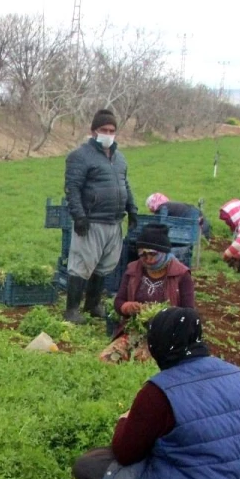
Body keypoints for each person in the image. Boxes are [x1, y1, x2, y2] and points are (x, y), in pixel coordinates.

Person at [72, 308, 240, 479]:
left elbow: (125, 453)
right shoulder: (238, 374)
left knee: (89, 466)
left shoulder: (158, 392)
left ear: (159, 343)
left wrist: (125, 420)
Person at [62, 108, 138, 324]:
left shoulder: (120, 158)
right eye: (103, 129)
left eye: (112, 130)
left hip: (114, 221)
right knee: (82, 264)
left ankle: (93, 304)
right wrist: (79, 216)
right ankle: (72, 310)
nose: (108, 133)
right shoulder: (80, 156)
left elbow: (125, 184)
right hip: (92, 220)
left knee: (105, 264)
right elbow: (72, 188)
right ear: (93, 130)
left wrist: (132, 209)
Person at [99, 224, 196, 363]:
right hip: (135, 331)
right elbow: (119, 301)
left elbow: (189, 313)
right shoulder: (133, 270)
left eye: (153, 254)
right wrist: (127, 307)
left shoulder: (181, 274)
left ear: (164, 251)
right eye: (143, 254)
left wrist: (165, 316)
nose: (148, 259)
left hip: (165, 334)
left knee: (144, 360)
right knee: (107, 359)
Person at [144, 192, 212, 240]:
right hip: (202, 225)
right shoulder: (172, 206)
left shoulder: (162, 207)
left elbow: (159, 224)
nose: (150, 211)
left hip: (194, 227)